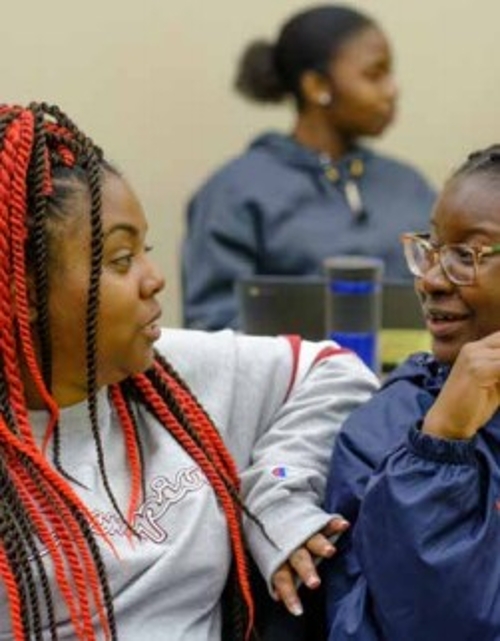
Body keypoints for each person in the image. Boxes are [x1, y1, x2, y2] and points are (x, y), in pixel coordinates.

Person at [0, 102, 379, 641]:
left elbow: (336, 372)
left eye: (145, 250)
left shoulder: (165, 376)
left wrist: (277, 492)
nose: (154, 279)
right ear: (25, 291)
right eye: (120, 260)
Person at [323, 145, 500, 640]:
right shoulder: (383, 430)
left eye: (466, 256)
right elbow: (407, 625)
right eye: (434, 249)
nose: (430, 279)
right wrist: (441, 447)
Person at [181, 3, 436, 331]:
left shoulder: (409, 185)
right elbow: (211, 324)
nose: (392, 89)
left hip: (417, 380)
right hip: (289, 381)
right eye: (375, 74)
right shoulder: (234, 193)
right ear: (317, 86)